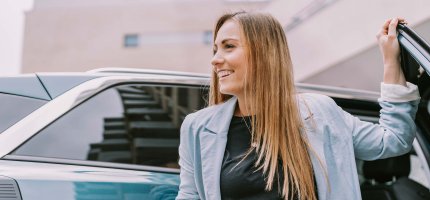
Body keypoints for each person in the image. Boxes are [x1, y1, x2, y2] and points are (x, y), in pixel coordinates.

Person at [176, 11, 420, 200]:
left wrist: (391, 61)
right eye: (216, 49)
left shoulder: (319, 112)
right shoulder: (198, 127)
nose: (215, 60)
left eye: (229, 47)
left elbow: (394, 140)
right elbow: (190, 196)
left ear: (264, 52)